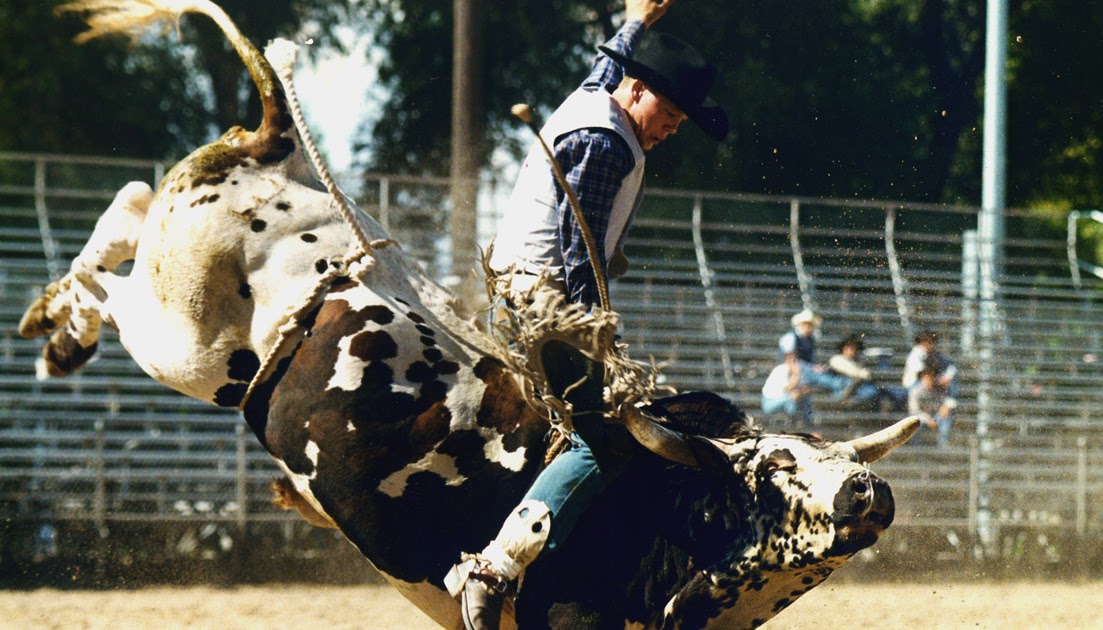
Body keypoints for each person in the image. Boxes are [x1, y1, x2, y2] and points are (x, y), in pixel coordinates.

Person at [449, 1, 730, 627]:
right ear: (638, 90)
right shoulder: (604, 144)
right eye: (671, 115)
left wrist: (637, 21)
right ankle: (493, 570)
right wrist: (602, 343)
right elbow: (581, 255)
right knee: (609, 438)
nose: (673, 130)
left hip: (518, 293)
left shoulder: (596, 100)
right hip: (545, 306)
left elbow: (607, 63)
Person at [827, 334, 908, 411]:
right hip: (847, 389)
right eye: (849, 347)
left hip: (860, 387)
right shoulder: (837, 359)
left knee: (888, 391)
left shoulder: (856, 361)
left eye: (854, 347)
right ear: (843, 348)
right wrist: (863, 373)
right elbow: (855, 372)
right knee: (872, 392)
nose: (852, 350)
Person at [902, 331, 960, 408]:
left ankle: (949, 405)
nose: (929, 344)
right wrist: (937, 379)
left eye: (932, 342)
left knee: (951, 382)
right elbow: (924, 374)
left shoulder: (935, 353)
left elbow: (951, 367)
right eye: (926, 341)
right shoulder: (915, 354)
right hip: (915, 384)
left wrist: (946, 377)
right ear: (921, 342)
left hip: (932, 383)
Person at [761, 351, 814, 428]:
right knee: (792, 398)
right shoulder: (781, 369)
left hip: (782, 399)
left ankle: (805, 422)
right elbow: (787, 388)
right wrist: (797, 375)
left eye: (795, 361)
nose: (795, 364)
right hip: (769, 403)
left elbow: (805, 388)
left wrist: (803, 391)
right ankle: (793, 424)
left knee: (803, 397)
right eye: (792, 361)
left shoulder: (791, 373)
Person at [908, 365, 955, 447]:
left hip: (937, 418)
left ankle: (943, 448)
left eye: (931, 376)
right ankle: (916, 448)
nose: (929, 379)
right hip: (922, 418)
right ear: (922, 378)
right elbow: (914, 410)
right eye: (926, 377)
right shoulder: (915, 391)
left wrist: (945, 408)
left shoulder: (940, 388)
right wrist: (928, 420)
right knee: (915, 424)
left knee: (946, 421)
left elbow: (949, 401)